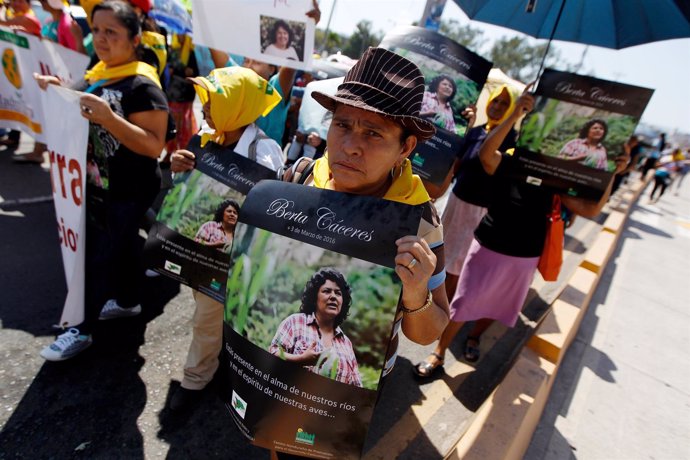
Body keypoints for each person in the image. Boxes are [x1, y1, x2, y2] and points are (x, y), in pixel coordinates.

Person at [412, 86, 629, 377]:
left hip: (526, 254)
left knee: (499, 304)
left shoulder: (558, 177)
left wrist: (614, 174)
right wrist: (516, 112)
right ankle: (439, 353)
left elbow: (589, 210)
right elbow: (487, 152)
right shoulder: (511, 160)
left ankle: (475, 337)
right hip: (488, 244)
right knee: (463, 300)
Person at [286, 47, 451, 348]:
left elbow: (429, 333)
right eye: (342, 125)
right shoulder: (300, 177)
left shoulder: (419, 221)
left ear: (405, 147)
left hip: (347, 387)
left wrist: (415, 294)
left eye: (373, 133)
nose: (350, 146)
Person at [37, 0, 169, 361]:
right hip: (96, 186)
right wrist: (59, 89)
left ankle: (79, 329)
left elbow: (154, 145)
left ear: (135, 38)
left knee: (97, 257)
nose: (101, 38)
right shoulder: (97, 73)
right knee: (122, 248)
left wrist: (110, 119)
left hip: (129, 188)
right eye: (96, 30)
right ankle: (127, 301)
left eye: (112, 31)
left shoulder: (143, 86)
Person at [168, 66, 284, 411]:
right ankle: (213, 372)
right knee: (210, 318)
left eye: (213, 100)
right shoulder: (207, 139)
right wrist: (178, 171)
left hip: (240, 261)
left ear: (238, 105)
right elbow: (186, 195)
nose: (203, 107)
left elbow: (271, 212)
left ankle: (195, 380)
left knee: (219, 321)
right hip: (206, 252)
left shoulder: (264, 152)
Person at [414, 85, 517, 375]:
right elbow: (456, 165)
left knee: (459, 270)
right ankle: (433, 312)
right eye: (495, 102)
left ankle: (442, 320)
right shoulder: (476, 130)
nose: (497, 107)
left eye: (504, 104)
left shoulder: (511, 139)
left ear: (511, 110)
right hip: (457, 204)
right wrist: (438, 188)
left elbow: (492, 164)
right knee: (441, 259)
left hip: (480, 212)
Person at [13, 0, 86, 165]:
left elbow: (78, 57)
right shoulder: (51, 21)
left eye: (45, 0)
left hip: (61, 81)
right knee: (44, 113)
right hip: (48, 76)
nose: (42, 3)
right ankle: (40, 151)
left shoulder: (67, 23)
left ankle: (61, 159)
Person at [269, 268, 362, 387]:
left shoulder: (346, 344)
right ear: (315, 297)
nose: (333, 296)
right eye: (327, 291)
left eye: (338, 293)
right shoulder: (295, 322)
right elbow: (273, 353)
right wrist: (300, 359)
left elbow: (356, 387)